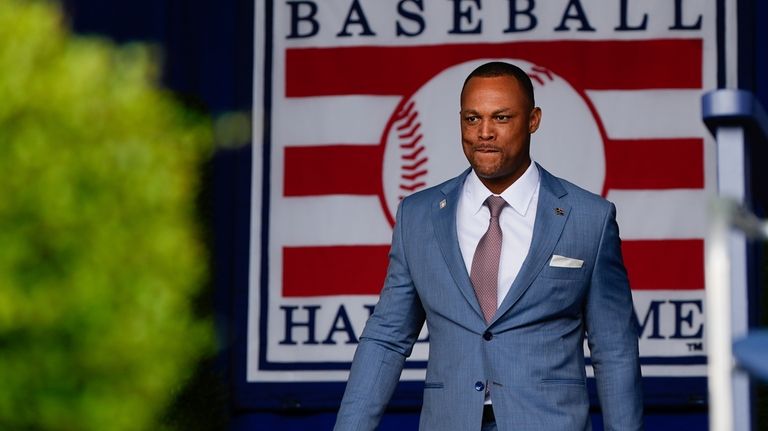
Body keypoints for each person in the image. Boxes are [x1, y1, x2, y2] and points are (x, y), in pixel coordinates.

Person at [334, 62, 643, 430]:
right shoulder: (418, 216)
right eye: (471, 119)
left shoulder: (589, 218)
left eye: (500, 117)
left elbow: (614, 350)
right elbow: (386, 339)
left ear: (533, 120)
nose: (484, 132)